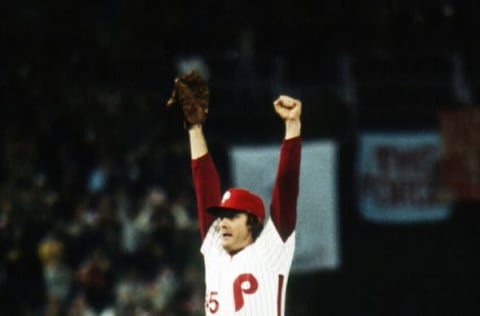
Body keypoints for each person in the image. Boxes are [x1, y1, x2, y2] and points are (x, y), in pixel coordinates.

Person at [187, 94, 302, 315]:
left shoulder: (271, 250)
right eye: (221, 217)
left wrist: (292, 126)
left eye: (232, 216)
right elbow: (205, 188)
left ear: (252, 222)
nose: (222, 224)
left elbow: (286, 189)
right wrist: (194, 129)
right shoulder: (215, 252)